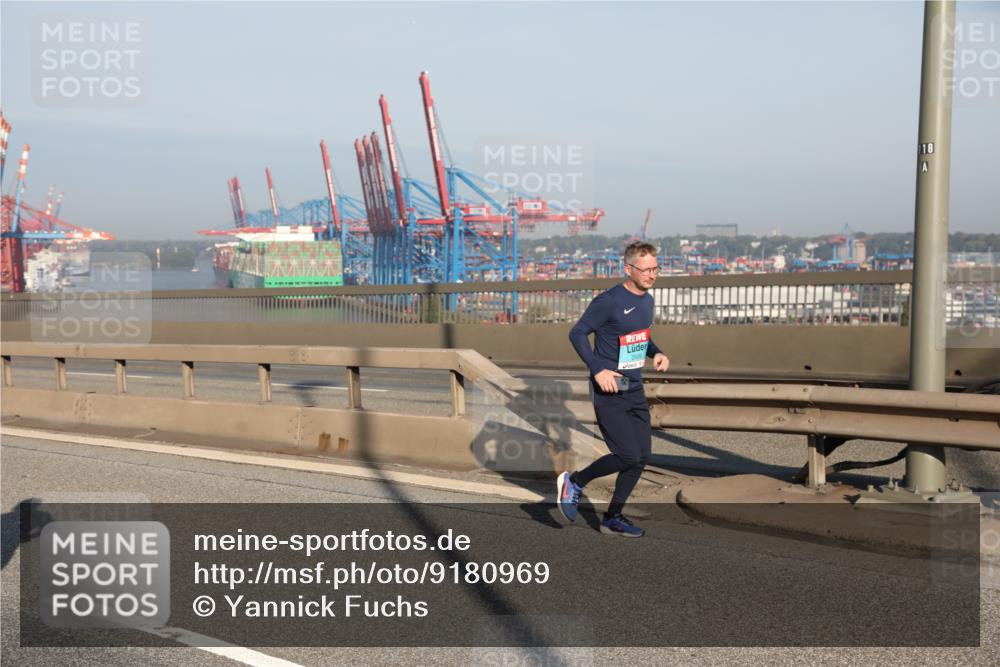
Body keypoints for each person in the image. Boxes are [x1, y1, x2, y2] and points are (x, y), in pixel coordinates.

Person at [557, 241, 669, 537]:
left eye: (655, 268)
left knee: (642, 457)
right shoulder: (609, 300)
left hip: (634, 387)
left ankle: (612, 517)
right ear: (628, 269)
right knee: (627, 455)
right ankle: (576, 482)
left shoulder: (647, 300)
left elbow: (639, 337)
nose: (651, 274)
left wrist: (655, 351)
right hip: (609, 387)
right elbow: (577, 332)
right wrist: (598, 369)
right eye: (645, 269)